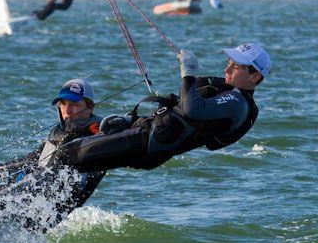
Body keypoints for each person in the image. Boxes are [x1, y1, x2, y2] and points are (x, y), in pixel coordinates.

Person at [57, 43, 271, 173]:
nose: (227, 69)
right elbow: (182, 101)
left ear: (255, 76)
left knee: (67, 154)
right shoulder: (225, 90)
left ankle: (32, 197)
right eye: (229, 62)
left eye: (236, 66)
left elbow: (191, 110)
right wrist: (130, 120)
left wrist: (188, 71)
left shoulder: (238, 104)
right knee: (75, 158)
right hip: (145, 133)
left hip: (146, 144)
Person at [0, 79, 107, 230]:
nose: (67, 110)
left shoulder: (96, 138)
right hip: (27, 196)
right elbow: (28, 162)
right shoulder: (59, 133)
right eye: (63, 104)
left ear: (90, 108)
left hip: (43, 213)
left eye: (74, 104)